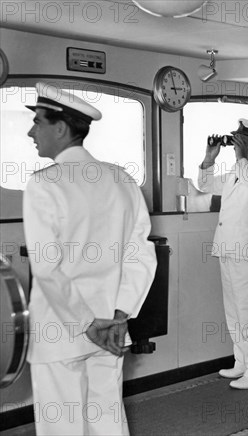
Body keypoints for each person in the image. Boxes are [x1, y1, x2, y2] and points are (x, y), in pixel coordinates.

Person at [23, 82, 157, 435]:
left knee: (63, 428)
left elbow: (47, 268)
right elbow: (141, 254)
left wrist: (86, 322)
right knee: (108, 420)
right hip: (111, 328)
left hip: (61, 331)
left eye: (37, 122)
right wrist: (118, 315)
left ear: (61, 128)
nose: (31, 131)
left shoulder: (44, 184)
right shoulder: (121, 179)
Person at [197, 119, 248, 390]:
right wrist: (210, 158)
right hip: (228, 249)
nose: (236, 147)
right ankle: (243, 362)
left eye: (241, 141)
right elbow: (205, 184)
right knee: (235, 311)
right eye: (235, 141)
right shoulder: (237, 170)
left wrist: (243, 158)